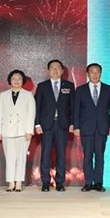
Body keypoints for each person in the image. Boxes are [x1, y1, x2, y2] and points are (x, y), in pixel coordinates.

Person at [73, 63, 110, 192]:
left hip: (102, 128)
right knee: (87, 156)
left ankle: (98, 183)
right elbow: (76, 110)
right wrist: (76, 126)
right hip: (86, 128)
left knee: (100, 156)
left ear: (101, 73)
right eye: (92, 72)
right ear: (88, 74)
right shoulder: (80, 90)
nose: (95, 74)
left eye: (97, 72)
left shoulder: (109, 89)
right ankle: (88, 183)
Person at [34, 59, 75, 192]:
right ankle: (45, 182)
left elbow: (73, 107)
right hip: (46, 125)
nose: (55, 70)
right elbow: (37, 106)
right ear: (48, 70)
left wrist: (72, 123)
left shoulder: (69, 85)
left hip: (62, 125)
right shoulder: (42, 86)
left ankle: (60, 182)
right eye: (52, 67)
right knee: (45, 155)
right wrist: (37, 124)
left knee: (61, 155)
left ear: (62, 71)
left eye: (58, 68)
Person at [0, 69, 36, 192]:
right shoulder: (3, 95)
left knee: (21, 158)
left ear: (23, 81)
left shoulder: (28, 95)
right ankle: (11, 182)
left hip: (23, 131)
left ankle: (18, 182)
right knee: (10, 157)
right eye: (14, 78)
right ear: (10, 81)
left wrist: (29, 131)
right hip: (7, 131)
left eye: (19, 79)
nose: (16, 81)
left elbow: (31, 114)